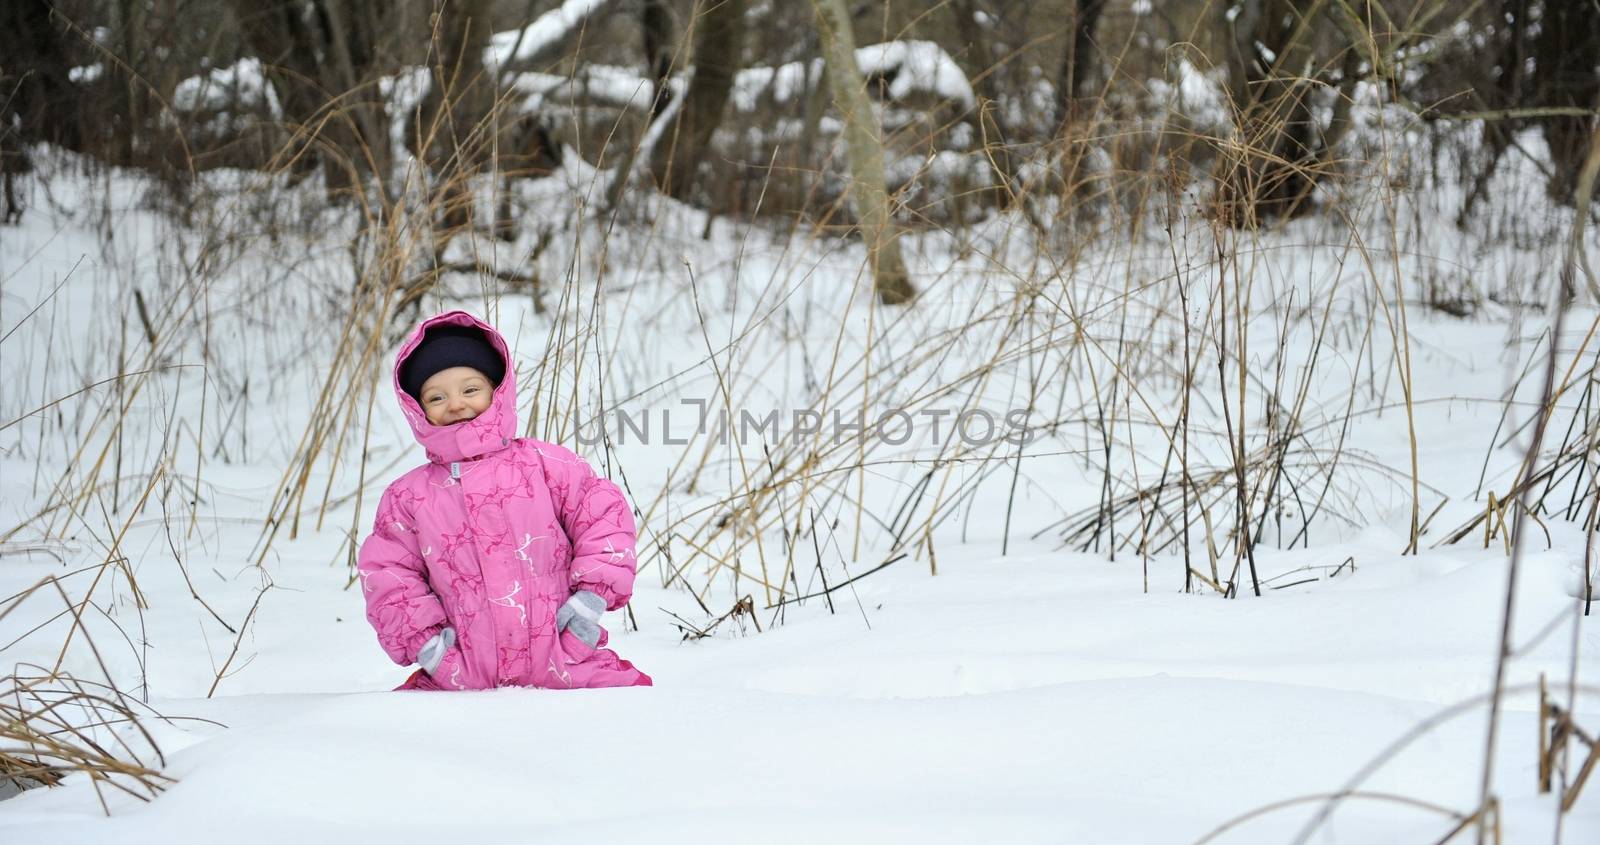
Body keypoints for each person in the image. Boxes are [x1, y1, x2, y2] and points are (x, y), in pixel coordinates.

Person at [356, 310, 651, 690]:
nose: (456, 404)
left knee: (636, 713)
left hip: (566, 660)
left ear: (496, 390)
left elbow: (602, 518)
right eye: (437, 396)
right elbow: (388, 574)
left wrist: (589, 603)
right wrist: (430, 649)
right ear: (418, 408)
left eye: (470, 390)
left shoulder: (546, 466)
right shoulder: (409, 497)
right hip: (462, 677)